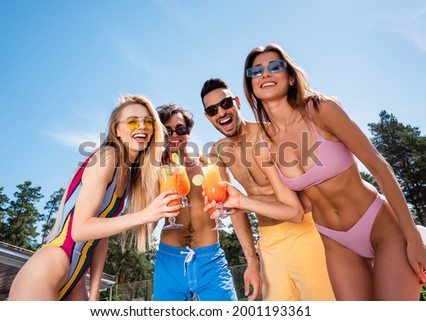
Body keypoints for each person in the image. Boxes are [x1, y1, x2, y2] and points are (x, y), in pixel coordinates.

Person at [242, 43, 426, 300]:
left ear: (291, 77)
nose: (266, 74)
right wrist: (237, 201)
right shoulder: (264, 144)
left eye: (275, 67)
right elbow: (293, 209)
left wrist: (414, 238)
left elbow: (378, 166)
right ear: (251, 85)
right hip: (336, 242)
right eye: (256, 71)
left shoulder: (320, 110)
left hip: (379, 227)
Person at [8, 95, 181, 301]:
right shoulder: (108, 157)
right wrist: (144, 215)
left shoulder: (128, 175)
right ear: (116, 130)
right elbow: (80, 230)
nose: (142, 126)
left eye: (148, 121)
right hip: (50, 267)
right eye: (133, 121)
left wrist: (95, 289)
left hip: (77, 278)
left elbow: (101, 235)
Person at [201, 78, 335, 301]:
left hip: (304, 231)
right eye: (213, 110)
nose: (221, 112)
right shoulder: (217, 154)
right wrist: (252, 263)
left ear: (236, 103)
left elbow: (295, 207)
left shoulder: (268, 134)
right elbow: (235, 209)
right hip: (268, 243)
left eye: (225, 104)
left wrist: (242, 201)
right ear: (208, 116)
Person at [152, 103, 240, 301]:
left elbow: (235, 207)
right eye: (168, 131)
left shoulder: (209, 166)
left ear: (189, 133)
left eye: (180, 129)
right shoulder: (155, 173)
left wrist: (251, 259)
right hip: (170, 261)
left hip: (210, 260)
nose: (174, 135)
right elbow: (147, 224)